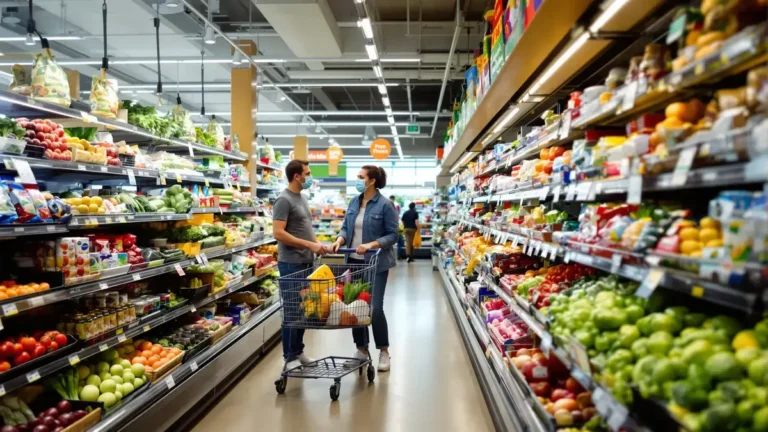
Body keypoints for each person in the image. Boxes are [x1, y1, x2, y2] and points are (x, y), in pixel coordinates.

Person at [330, 166, 399, 371]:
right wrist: (340, 239)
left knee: (375, 308)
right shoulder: (354, 201)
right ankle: (361, 350)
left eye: (361, 177)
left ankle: (384, 351)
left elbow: (393, 235)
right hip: (353, 262)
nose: (357, 180)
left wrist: (371, 244)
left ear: (372, 181)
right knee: (355, 308)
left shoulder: (386, 205)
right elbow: (346, 226)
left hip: (376, 263)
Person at [272, 159, 326, 371]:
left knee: (305, 309)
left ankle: (298, 351)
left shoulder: (301, 197)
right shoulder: (283, 200)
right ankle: (288, 357)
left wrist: (318, 244)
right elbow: (278, 233)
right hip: (291, 263)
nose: (310, 177)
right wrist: (308, 245)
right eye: (308, 173)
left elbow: (306, 227)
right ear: (297, 176)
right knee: (292, 310)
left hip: (306, 262)